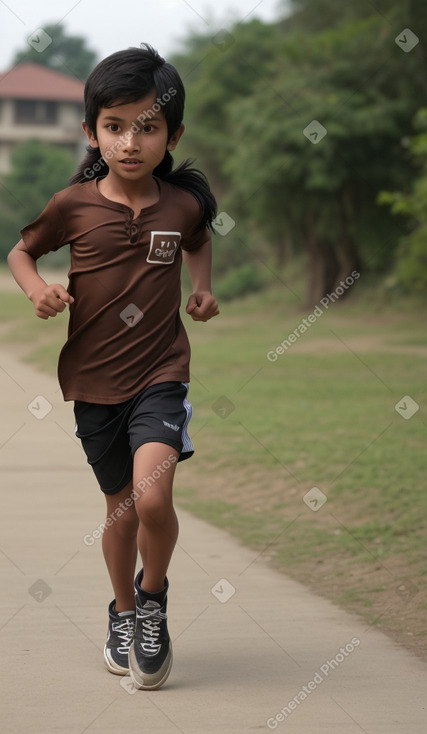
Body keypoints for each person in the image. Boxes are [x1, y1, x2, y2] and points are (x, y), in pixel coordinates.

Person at [7, 44, 219, 690]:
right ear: (91, 131)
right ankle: (121, 614)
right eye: (115, 126)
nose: (130, 142)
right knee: (120, 510)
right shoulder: (72, 204)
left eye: (147, 127)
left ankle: (151, 601)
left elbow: (199, 238)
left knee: (153, 496)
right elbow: (21, 252)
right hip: (93, 382)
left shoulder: (179, 205)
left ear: (171, 135)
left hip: (161, 371)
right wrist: (37, 290)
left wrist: (201, 287)